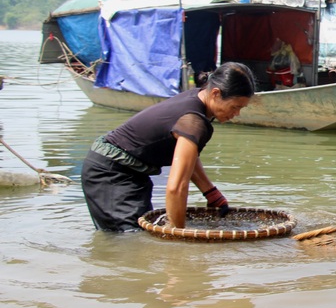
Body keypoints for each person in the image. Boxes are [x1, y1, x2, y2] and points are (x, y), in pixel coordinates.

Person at [81, 62, 256, 232]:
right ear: (216, 94)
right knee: (129, 241)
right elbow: (176, 188)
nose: (236, 114)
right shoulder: (193, 120)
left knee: (138, 238)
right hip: (110, 173)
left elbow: (189, 157)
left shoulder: (198, 99)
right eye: (235, 107)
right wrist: (178, 236)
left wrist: (210, 193)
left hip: (131, 171)